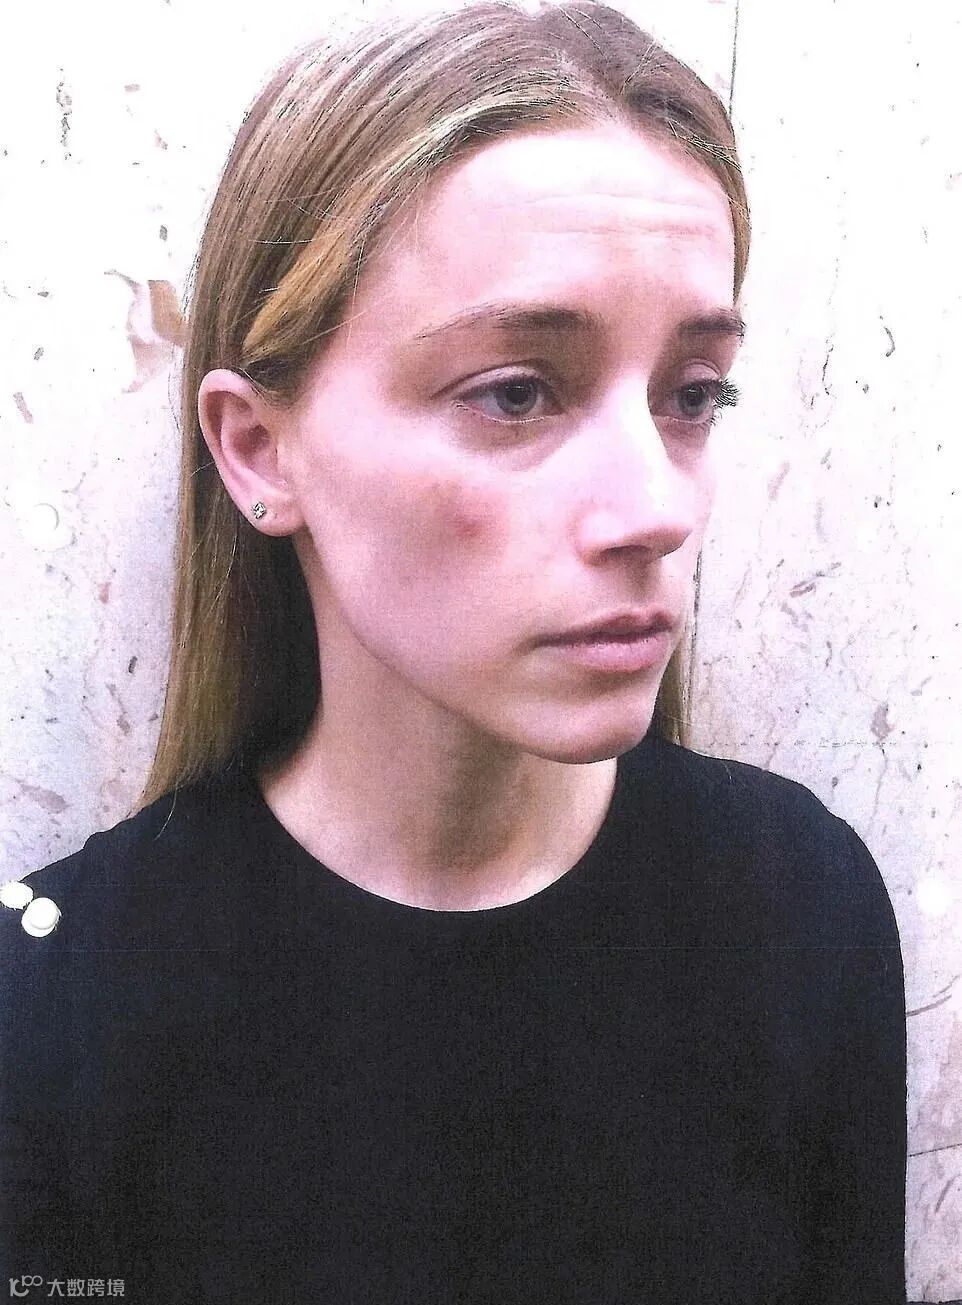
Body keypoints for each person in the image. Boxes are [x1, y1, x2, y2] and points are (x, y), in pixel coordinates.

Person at [1, 2, 907, 1301]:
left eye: (692, 393)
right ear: (260, 449)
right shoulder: (50, 1004)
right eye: (515, 392)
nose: (655, 506)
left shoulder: (797, 907)